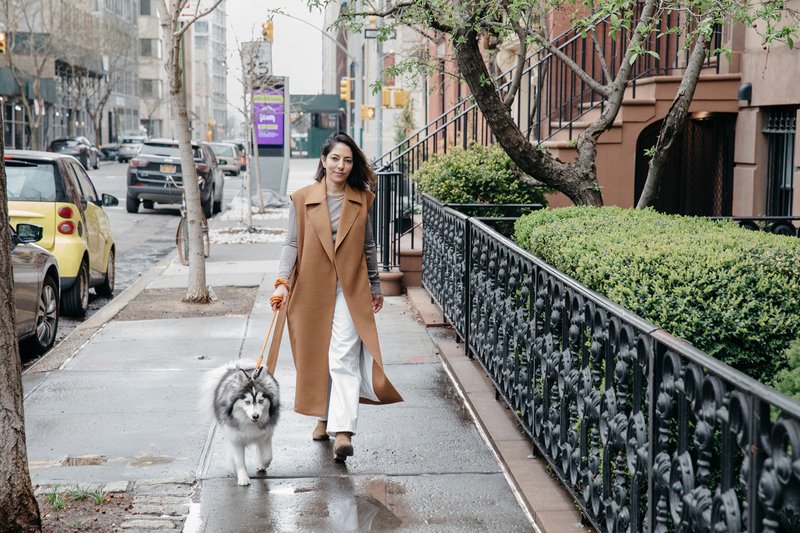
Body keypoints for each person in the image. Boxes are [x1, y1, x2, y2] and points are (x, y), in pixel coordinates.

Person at [271, 131, 403, 461]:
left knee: (343, 356)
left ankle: (343, 432)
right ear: (323, 160)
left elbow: (368, 246)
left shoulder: (362, 198)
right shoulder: (302, 199)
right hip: (311, 289)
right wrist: (282, 281)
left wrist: (375, 285)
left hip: (349, 289)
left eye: (347, 160)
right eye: (335, 159)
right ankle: (323, 416)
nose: (341, 166)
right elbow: (291, 244)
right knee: (316, 356)